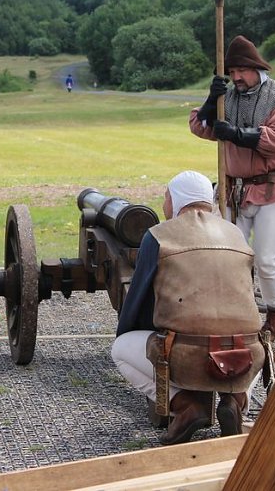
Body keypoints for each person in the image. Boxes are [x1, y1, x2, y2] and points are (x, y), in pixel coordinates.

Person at [112, 171, 265, 445]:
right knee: (253, 344)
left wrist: (129, 330)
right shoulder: (236, 235)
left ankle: (185, 406)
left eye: (166, 198)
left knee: (121, 348)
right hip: (245, 355)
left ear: (174, 200)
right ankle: (236, 399)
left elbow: (140, 299)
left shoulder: (158, 236)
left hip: (188, 357)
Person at [188, 35, 275, 341]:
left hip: (269, 190)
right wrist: (211, 101)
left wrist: (236, 134)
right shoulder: (227, 98)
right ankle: (237, 315)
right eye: (232, 71)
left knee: (266, 261)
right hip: (233, 192)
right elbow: (199, 126)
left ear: (255, 69)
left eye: (241, 71)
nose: (236, 76)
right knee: (230, 258)